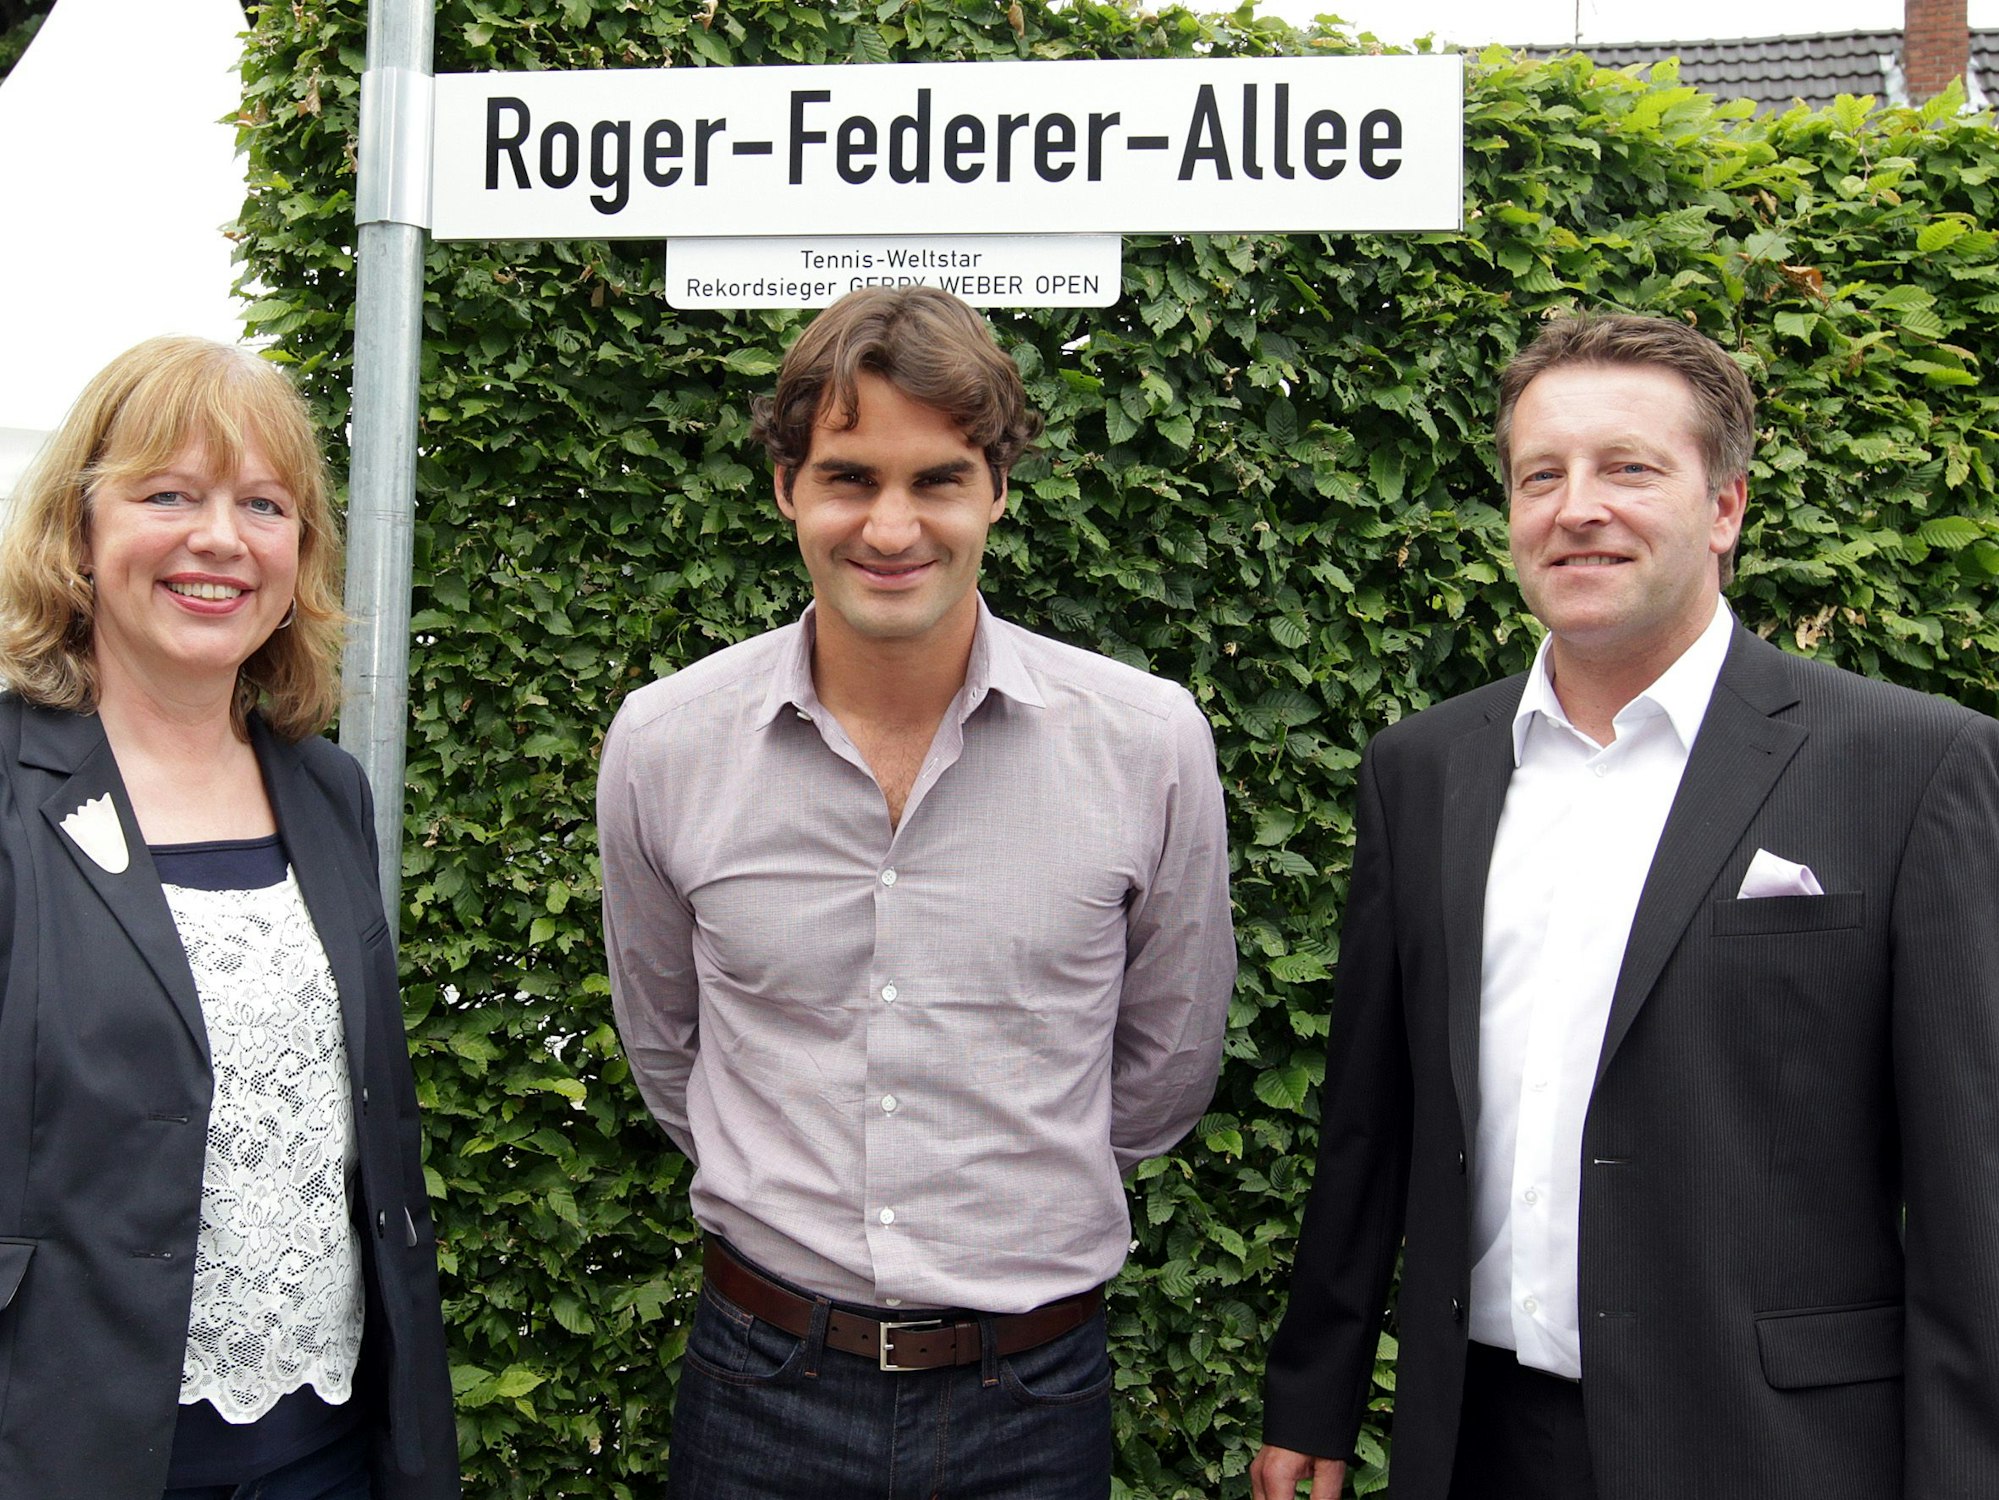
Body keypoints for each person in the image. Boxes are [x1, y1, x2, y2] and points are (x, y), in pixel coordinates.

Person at [1251, 313, 1999, 1500]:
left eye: (1629, 468)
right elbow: (1369, 1120)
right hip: (1478, 1444)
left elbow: (1973, 1186)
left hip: (1775, 1451)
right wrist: (1315, 1397)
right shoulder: (1426, 767)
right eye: (1539, 474)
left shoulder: (1912, 767)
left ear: (1725, 507)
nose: (1575, 506)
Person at [598, 285, 1236, 1497]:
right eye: (848, 477)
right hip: (758, 1382)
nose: (891, 527)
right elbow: (667, 1044)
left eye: (937, 479)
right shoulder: (665, 743)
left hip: (1032, 1394)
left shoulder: (1146, 742)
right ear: (786, 487)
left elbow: (1165, 1067)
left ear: (997, 486)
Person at [0, 337, 459, 1499]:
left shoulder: (325, 790)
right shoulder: (9, 787)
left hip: (328, 1450)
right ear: (79, 530)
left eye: (263, 504)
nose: (219, 538)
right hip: (73, 1444)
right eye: (169, 494)